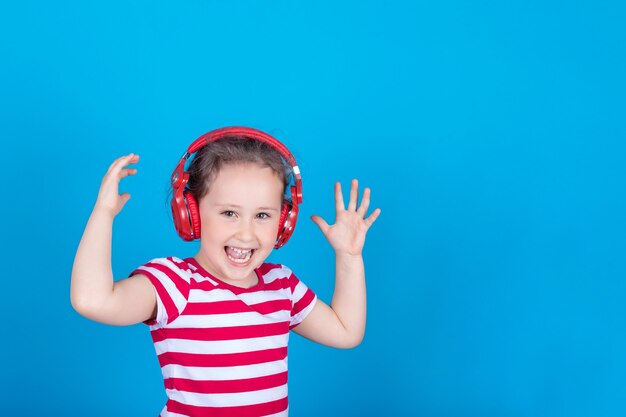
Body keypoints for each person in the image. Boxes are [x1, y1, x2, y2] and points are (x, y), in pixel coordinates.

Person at [70, 126, 381, 417]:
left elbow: (346, 332)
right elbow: (92, 300)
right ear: (190, 213)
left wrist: (349, 257)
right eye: (229, 213)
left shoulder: (281, 285)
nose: (246, 234)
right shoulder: (174, 283)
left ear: (284, 221)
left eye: (262, 215)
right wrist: (103, 214)